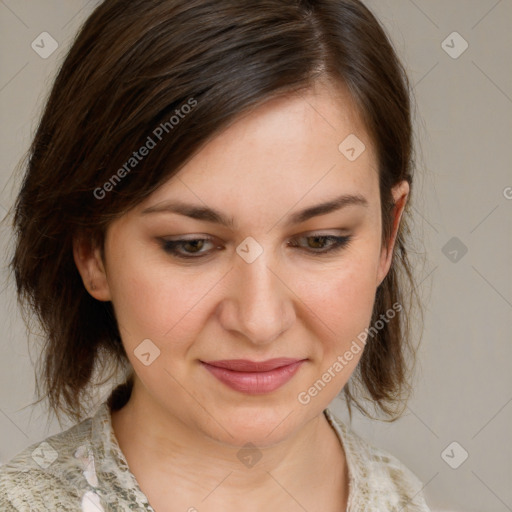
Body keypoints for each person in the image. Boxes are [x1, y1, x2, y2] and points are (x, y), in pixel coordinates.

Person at [0, 0, 430, 510]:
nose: (258, 321)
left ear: (387, 234)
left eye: (320, 241)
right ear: (92, 250)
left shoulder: (405, 496)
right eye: (192, 246)